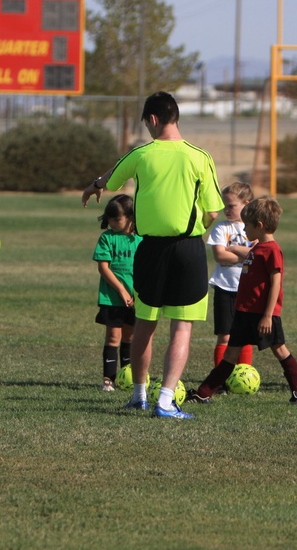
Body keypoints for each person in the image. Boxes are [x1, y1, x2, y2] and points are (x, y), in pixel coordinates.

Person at [82, 91, 223, 420]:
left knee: (145, 324)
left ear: (153, 120)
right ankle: (165, 400)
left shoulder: (141, 154)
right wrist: (194, 228)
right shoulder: (199, 156)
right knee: (182, 327)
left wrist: (94, 185)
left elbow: (111, 179)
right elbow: (214, 211)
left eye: (146, 122)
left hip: (150, 251)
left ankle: (138, 395)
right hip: (188, 249)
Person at [186, 197, 297, 404]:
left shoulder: (272, 251)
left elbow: (275, 284)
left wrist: (268, 316)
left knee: (280, 350)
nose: (244, 231)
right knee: (230, 355)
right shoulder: (257, 248)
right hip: (244, 312)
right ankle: (204, 393)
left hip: (263, 315)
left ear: (259, 226)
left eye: (247, 226)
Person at [93, 194, 141, 392]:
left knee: (129, 338)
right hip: (112, 297)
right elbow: (103, 268)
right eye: (110, 219)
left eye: (116, 219)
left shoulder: (141, 238)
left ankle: (127, 376)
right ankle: (109, 379)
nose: (112, 223)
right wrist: (121, 290)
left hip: (136, 298)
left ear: (130, 217)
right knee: (113, 337)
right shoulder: (107, 238)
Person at [206, 181, 255, 368]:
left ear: (247, 204)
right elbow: (219, 255)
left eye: (231, 206)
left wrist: (233, 248)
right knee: (225, 334)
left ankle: (245, 375)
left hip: (247, 289)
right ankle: (220, 380)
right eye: (224, 206)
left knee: (246, 334)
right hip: (224, 287)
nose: (227, 210)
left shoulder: (255, 228)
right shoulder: (221, 228)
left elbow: (259, 255)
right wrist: (247, 255)